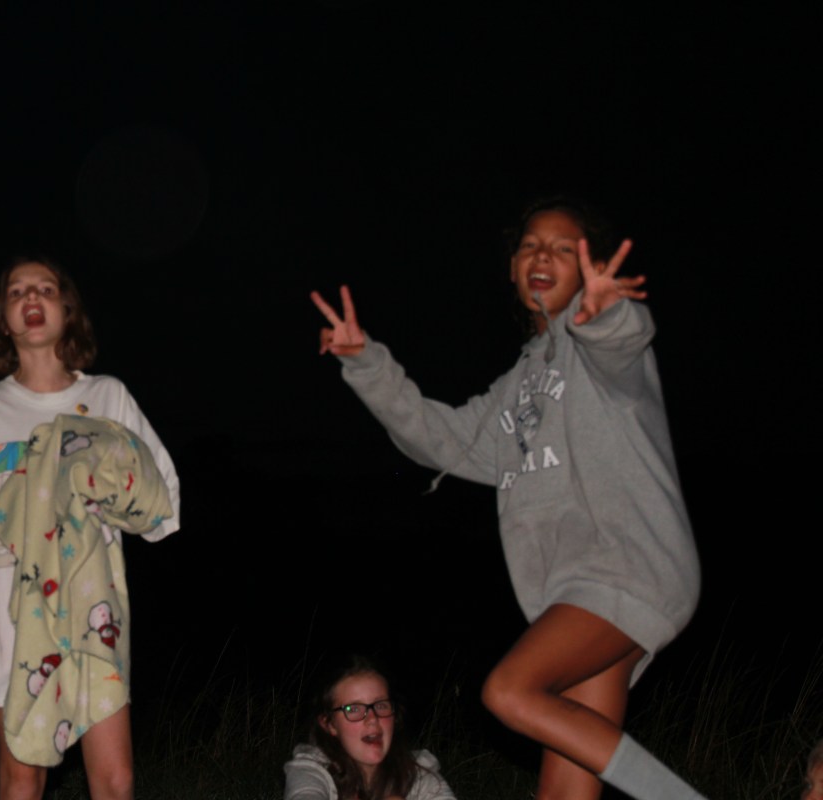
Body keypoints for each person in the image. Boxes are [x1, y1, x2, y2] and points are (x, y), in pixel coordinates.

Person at [311, 198, 705, 800]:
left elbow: (622, 341)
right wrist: (366, 364)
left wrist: (602, 314)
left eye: (562, 248)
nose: (542, 255)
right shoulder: (516, 388)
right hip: (573, 594)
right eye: (529, 246)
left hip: (627, 569)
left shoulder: (601, 351)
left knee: (509, 691)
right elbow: (441, 439)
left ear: (589, 268)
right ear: (513, 269)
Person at [0, 255, 181, 800]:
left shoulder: (108, 397)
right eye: (17, 291)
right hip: (10, 613)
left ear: (68, 310)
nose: (31, 297)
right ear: (3, 320)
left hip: (95, 608)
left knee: (115, 779)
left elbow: (160, 500)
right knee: (23, 778)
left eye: (45, 288)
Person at [284, 655, 456, 800]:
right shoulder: (312, 768)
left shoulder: (419, 773)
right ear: (329, 724)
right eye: (354, 709)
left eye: (381, 705)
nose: (373, 718)